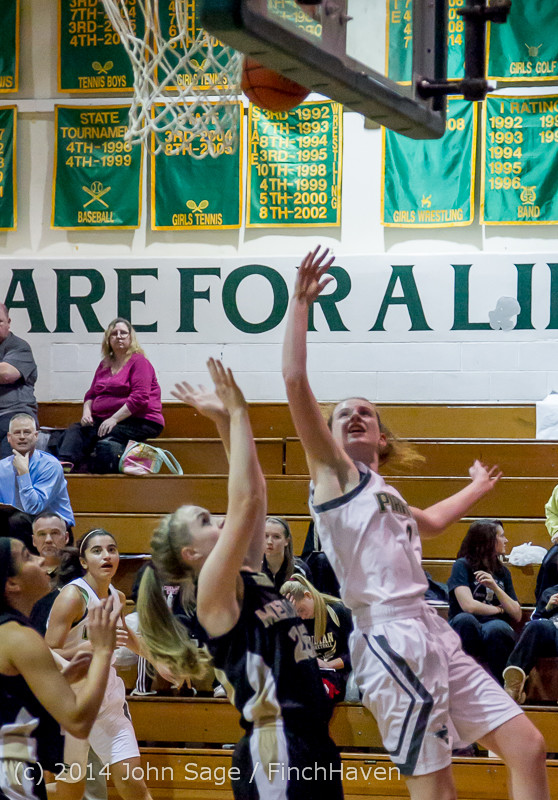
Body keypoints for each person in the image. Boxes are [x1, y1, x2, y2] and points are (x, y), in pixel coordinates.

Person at [281, 246, 549, 800]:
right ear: (329, 436)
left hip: (431, 631)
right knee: (436, 788)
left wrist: (476, 488)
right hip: (388, 637)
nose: (356, 415)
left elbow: (430, 522)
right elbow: (294, 379)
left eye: (366, 412)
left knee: (527, 746)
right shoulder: (334, 478)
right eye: (343, 414)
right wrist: (300, 304)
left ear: (381, 438)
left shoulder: (385, 491)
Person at [137, 360, 343, 800]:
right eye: (205, 521)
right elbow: (245, 501)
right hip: (276, 745)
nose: (220, 521)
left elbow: (257, 492)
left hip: (309, 739)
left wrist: (223, 421)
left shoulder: (245, 575)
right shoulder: (211, 590)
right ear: (191, 555)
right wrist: (238, 413)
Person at [0, 536, 118, 800]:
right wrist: (102, 651)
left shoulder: (10, 632)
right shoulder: (18, 637)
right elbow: (78, 722)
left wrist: (62, 679)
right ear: (12, 583)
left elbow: (12, 701)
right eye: (28, 557)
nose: (42, 560)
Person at [45, 529, 153, 800]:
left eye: (112, 549)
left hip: (107, 700)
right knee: (68, 792)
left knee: (134, 784)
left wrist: (158, 661)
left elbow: (125, 635)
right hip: (70, 701)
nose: (107, 556)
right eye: (97, 551)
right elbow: (47, 653)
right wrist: (92, 646)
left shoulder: (117, 597)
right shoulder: (73, 597)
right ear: (83, 561)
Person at [58, 318, 164, 473]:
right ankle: (64, 467)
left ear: (131, 337)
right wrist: (86, 413)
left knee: (103, 439)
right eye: (114, 334)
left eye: (123, 333)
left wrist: (114, 419)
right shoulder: (104, 364)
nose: (119, 336)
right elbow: (91, 394)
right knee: (76, 430)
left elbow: (139, 398)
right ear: (108, 339)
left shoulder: (139, 362)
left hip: (140, 421)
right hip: (107, 420)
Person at [447, 519, 521, 684]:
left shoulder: (503, 572)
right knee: (466, 620)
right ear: (488, 541)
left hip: (492, 625)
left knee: (498, 628)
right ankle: (463, 682)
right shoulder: (462, 566)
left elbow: (516, 614)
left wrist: (495, 587)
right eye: (501, 536)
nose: (506, 540)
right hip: (466, 624)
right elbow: (468, 606)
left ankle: (502, 687)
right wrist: (499, 610)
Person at [0, 414, 74, 548]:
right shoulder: (2, 467)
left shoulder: (50, 465)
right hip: (17, 522)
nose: (22, 437)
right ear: (9, 438)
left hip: (54, 525)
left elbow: (34, 507)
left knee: (18, 520)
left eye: (27, 432)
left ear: (36, 436)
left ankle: (23, 561)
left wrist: (23, 472)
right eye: (17, 433)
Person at [280, 574, 353, 703]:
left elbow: (356, 654)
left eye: (301, 610)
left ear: (308, 595)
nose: (301, 617)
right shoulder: (297, 622)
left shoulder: (338, 611)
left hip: (336, 673)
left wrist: (328, 664)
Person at [503, 583, 558, 704]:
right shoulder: (550, 592)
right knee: (535, 626)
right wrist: (547, 608)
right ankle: (513, 687)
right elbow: (534, 620)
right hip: (550, 631)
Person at [0, 304, 38, 459]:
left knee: (13, 431)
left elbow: (6, 374)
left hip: (15, 413)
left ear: (8, 322)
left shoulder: (19, 347)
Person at [261, 516, 312, 592]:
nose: (269, 542)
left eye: (276, 537)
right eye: (266, 536)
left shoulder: (299, 570)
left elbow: (310, 597)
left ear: (286, 541)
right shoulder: (253, 568)